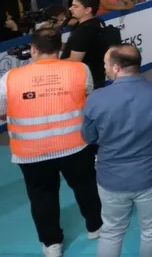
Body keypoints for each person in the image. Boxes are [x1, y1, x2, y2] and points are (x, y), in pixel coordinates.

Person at [1, 28, 102, 257]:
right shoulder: (79, 69)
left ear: (33, 49)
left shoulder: (10, 78)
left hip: (31, 152)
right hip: (75, 145)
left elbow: (0, 110)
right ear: (60, 47)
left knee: (42, 197)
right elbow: (87, 98)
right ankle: (96, 227)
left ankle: (52, 244)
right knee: (86, 187)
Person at [83, 45, 152, 257]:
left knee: (111, 232)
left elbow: (88, 137)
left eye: (106, 65)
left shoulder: (95, 99)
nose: (105, 69)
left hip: (111, 179)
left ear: (116, 67)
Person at [64, 0, 114, 86]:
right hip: (97, 76)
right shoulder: (98, 22)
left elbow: (74, 61)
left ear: (87, 10)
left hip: (85, 82)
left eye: (75, 6)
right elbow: (83, 46)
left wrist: (50, 62)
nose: (70, 8)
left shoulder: (83, 31)